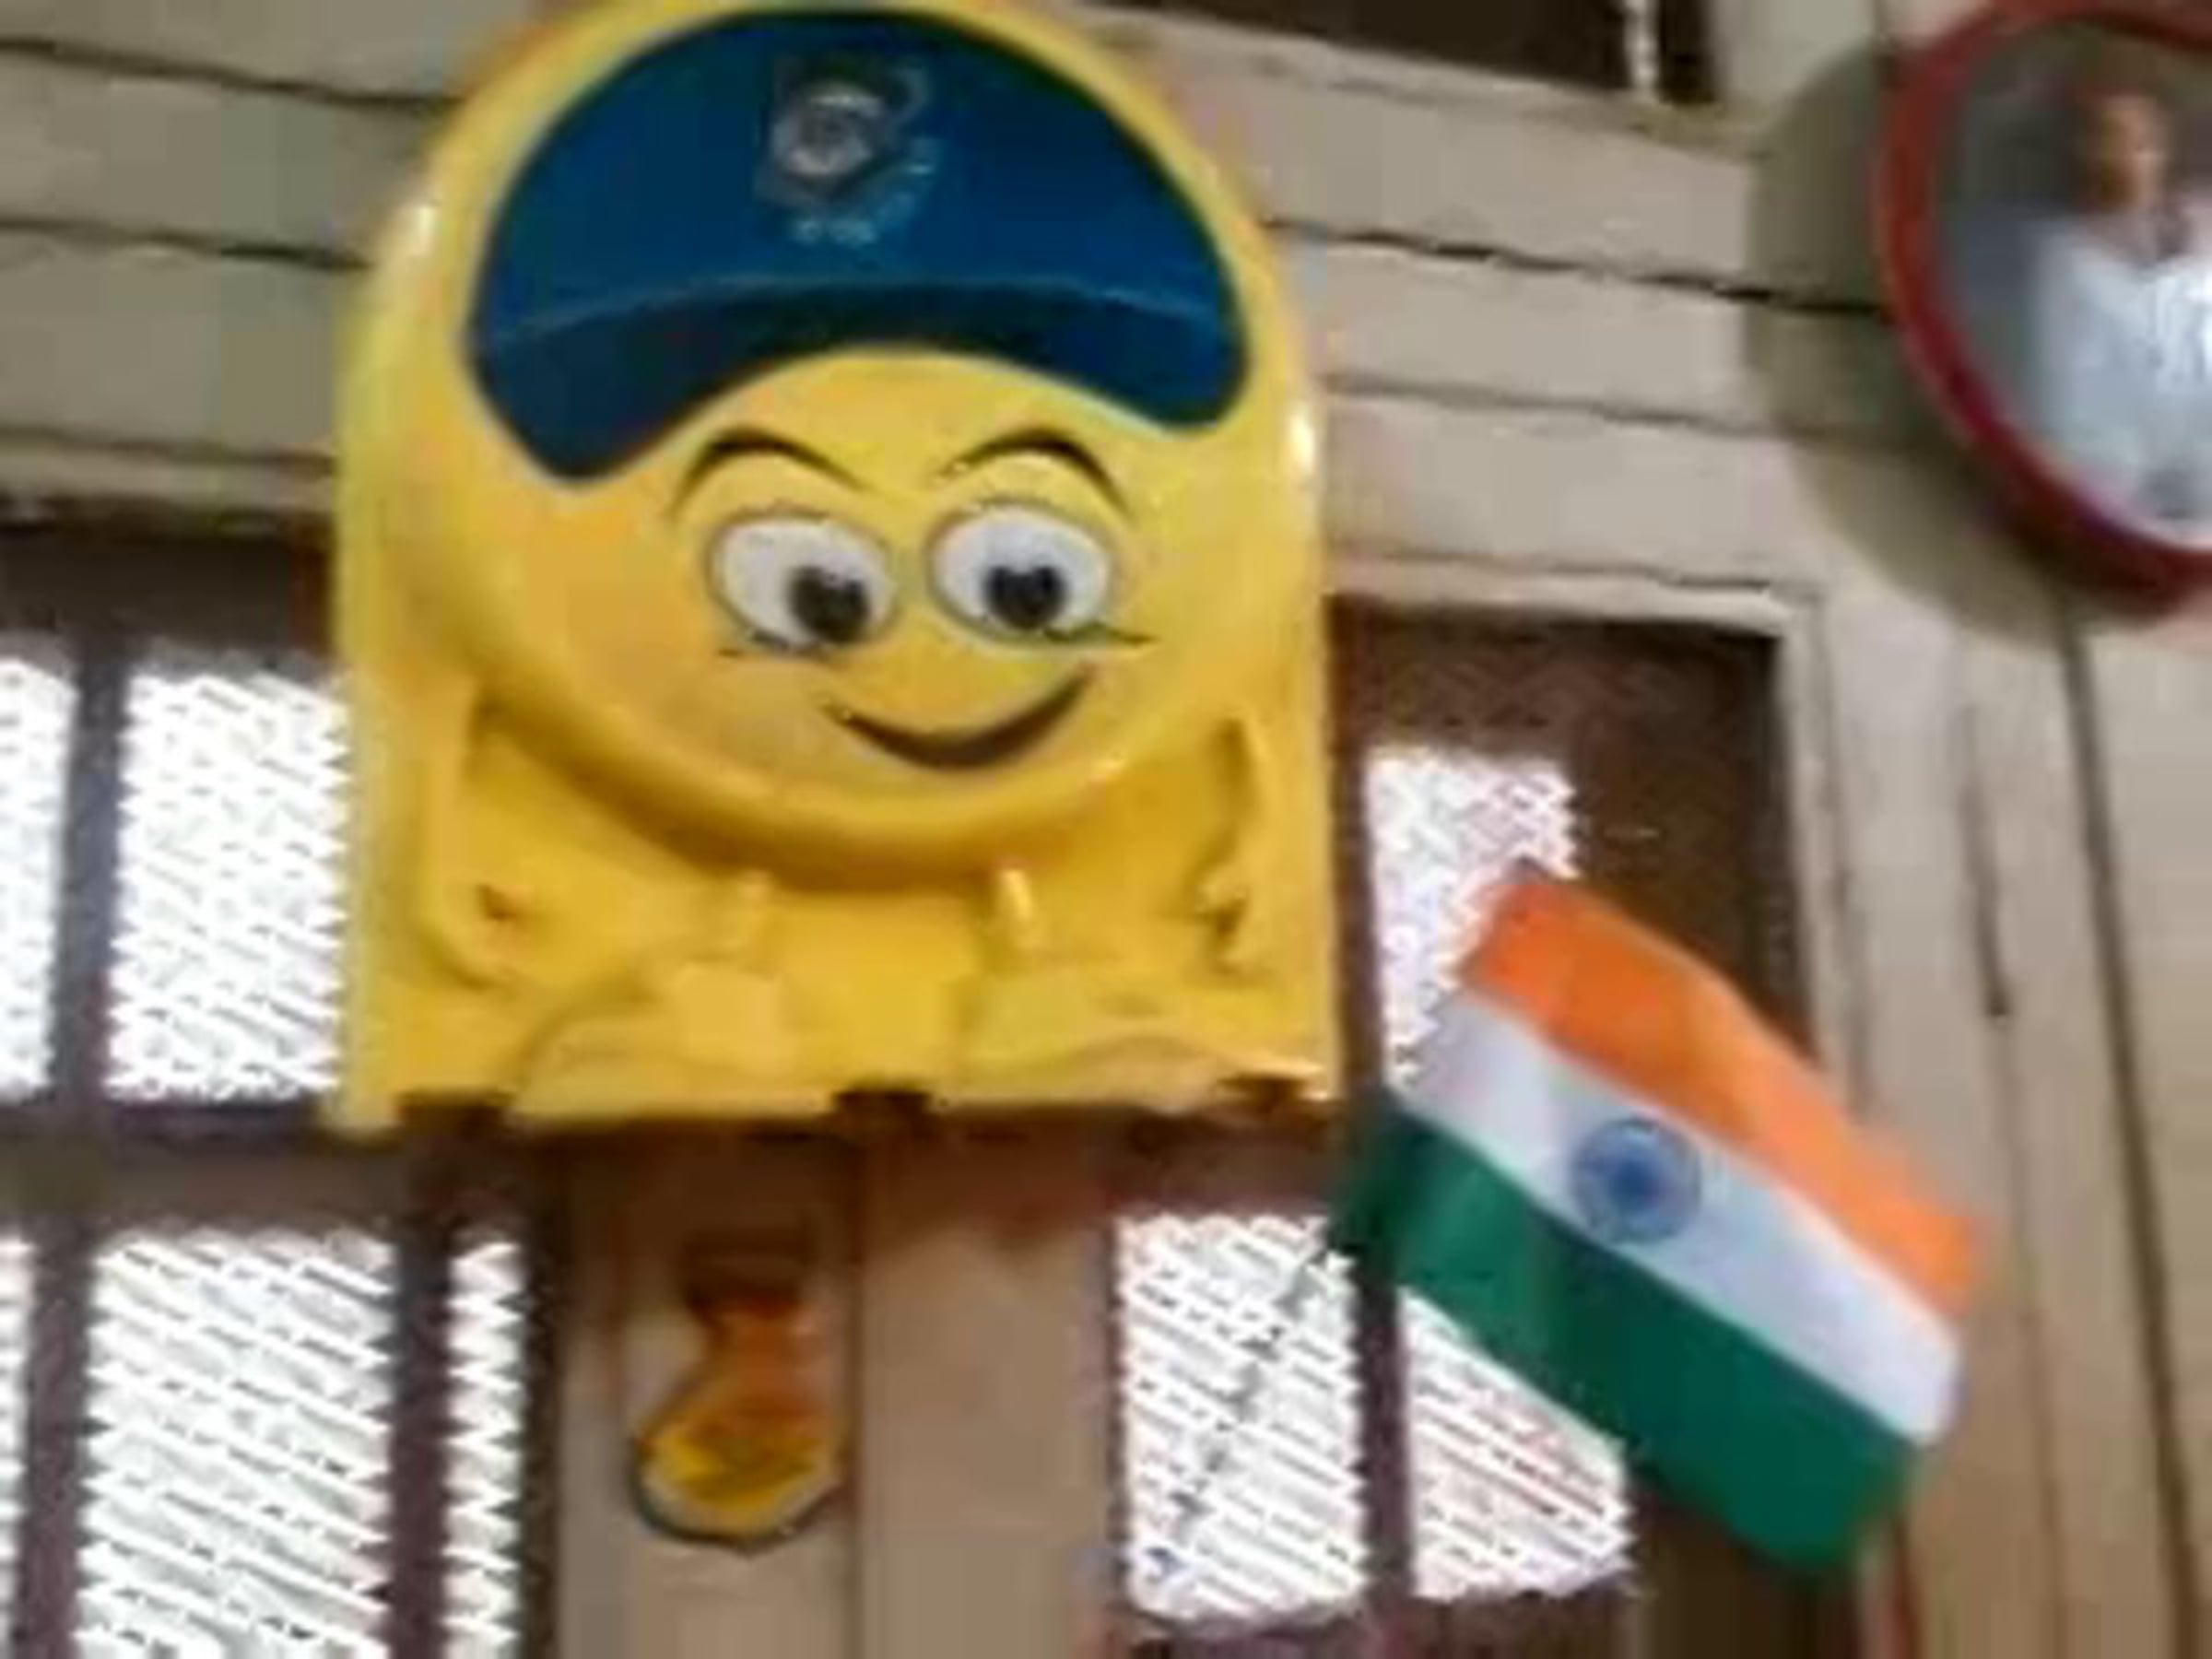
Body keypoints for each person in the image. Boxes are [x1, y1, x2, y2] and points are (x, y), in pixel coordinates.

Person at [2011, 67, 2212, 535]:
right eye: (2112, 139)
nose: (2130, 156)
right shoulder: (2059, 258)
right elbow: (2068, 397)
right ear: (2083, 151)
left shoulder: (2201, 236)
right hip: (2111, 498)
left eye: (2145, 142)